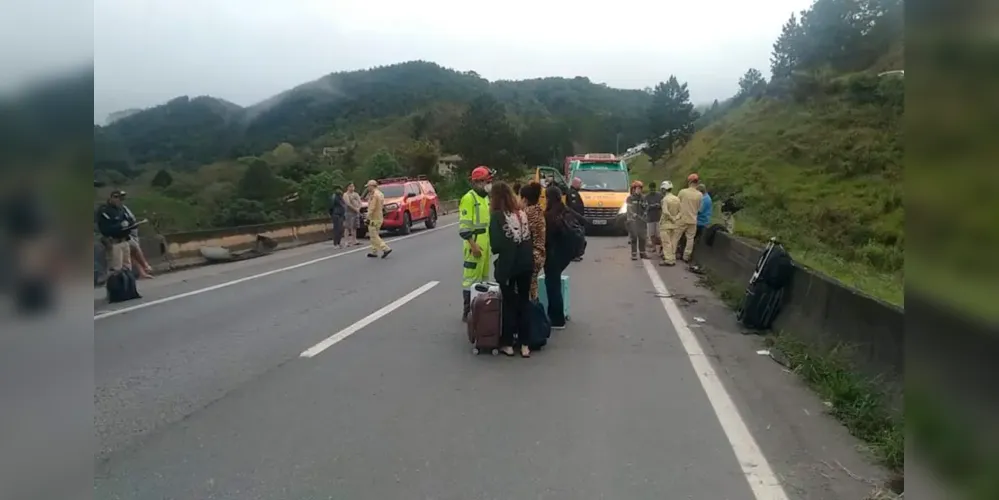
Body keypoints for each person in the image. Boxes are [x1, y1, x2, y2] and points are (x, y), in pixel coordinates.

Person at [488, 181, 534, 358]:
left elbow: (496, 245)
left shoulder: (498, 217)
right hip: (526, 263)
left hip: (509, 265)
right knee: (524, 301)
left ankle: (507, 343)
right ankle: (525, 344)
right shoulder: (521, 214)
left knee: (508, 303)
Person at [459, 166, 494, 321]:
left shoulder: (485, 198)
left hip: (485, 242)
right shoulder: (469, 198)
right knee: (470, 279)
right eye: (487, 181)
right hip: (474, 242)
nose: (489, 184)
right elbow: (464, 228)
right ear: (479, 182)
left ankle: (480, 308)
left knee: (483, 278)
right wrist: (473, 245)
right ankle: (467, 311)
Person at [543, 185, 575, 329]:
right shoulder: (565, 210)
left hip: (553, 254)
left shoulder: (550, 216)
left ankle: (556, 318)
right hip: (565, 253)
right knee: (554, 284)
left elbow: (547, 238)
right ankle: (556, 316)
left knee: (552, 286)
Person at [95, 190, 136, 275]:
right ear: (111, 198)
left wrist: (129, 224)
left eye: (120, 198)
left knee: (127, 268)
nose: (119, 200)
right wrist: (120, 225)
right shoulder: (105, 210)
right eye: (116, 197)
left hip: (124, 240)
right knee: (116, 270)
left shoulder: (122, 209)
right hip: (114, 242)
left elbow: (130, 221)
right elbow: (105, 228)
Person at [118, 192, 154, 279]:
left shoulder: (124, 208)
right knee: (135, 248)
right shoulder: (118, 210)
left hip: (133, 231)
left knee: (132, 254)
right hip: (127, 233)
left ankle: (142, 272)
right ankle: (145, 266)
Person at [520, 183, 546, 301]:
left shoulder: (527, 213)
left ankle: (533, 314)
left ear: (524, 199)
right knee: (533, 285)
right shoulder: (539, 210)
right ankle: (535, 310)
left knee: (527, 288)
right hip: (540, 254)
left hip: (531, 255)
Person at [676, 173, 704, 262]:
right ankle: (686, 256)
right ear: (697, 182)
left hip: (682, 218)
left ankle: (671, 254)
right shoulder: (700, 195)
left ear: (689, 182)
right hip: (693, 220)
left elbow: (676, 204)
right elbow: (700, 210)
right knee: (690, 239)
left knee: (676, 237)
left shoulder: (683, 192)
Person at [363, 180, 392, 258]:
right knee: (374, 235)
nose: (367, 188)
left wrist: (367, 217)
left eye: (368, 186)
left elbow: (372, 207)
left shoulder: (374, 195)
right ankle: (374, 251)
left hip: (374, 218)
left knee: (373, 234)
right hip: (379, 217)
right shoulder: (380, 194)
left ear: (372, 186)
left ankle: (385, 248)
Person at [658, 181, 683, 266]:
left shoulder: (665, 199)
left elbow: (665, 212)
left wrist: (671, 218)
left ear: (664, 189)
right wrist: (675, 218)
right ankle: (672, 258)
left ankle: (669, 260)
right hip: (675, 225)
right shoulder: (677, 199)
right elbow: (681, 212)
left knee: (666, 243)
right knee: (673, 242)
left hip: (665, 224)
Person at [625, 180, 649, 260]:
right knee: (634, 237)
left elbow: (646, 207)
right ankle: (634, 254)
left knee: (642, 238)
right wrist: (633, 214)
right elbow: (629, 208)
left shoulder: (643, 198)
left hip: (641, 221)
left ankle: (642, 253)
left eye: (640, 188)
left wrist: (645, 213)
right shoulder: (630, 198)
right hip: (633, 221)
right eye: (637, 188)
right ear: (633, 189)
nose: (639, 190)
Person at [645, 180, 665, 257]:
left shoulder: (660, 195)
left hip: (658, 218)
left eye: (653, 189)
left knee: (659, 235)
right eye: (651, 189)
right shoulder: (646, 197)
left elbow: (663, 205)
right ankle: (653, 247)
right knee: (651, 234)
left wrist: (658, 205)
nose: (652, 190)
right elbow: (645, 207)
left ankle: (662, 247)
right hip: (650, 218)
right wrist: (651, 206)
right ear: (649, 189)